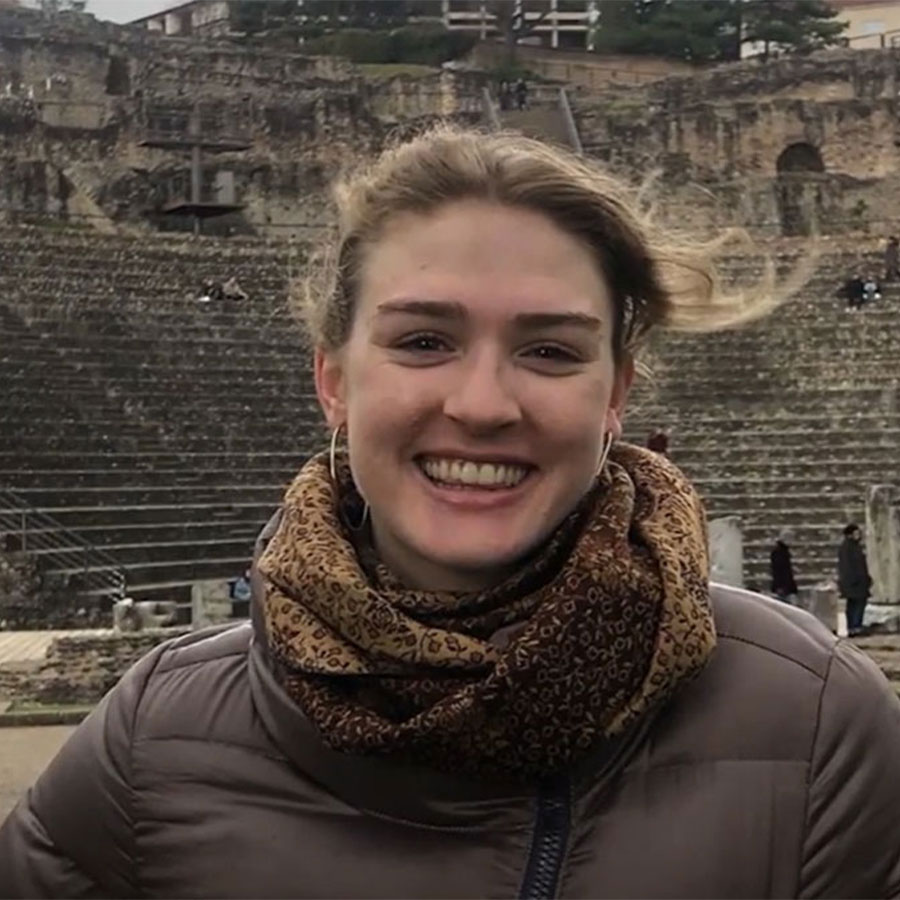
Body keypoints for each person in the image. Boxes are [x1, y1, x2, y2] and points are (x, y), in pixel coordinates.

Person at [3, 126, 900, 898]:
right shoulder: (149, 744)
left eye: (550, 350)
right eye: (423, 341)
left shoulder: (821, 728)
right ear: (332, 379)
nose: (482, 404)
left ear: (616, 394)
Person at [838, 523, 872, 637]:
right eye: (856, 533)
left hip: (857, 582)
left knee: (854, 605)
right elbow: (847, 566)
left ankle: (854, 626)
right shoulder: (847, 548)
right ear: (850, 535)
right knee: (856, 605)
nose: (859, 535)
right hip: (854, 582)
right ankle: (855, 627)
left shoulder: (854, 547)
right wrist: (855, 580)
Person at [770, 528, 798, 604]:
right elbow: (779, 571)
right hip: (783, 587)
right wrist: (782, 586)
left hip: (784, 586)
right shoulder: (780, 553)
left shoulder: (781, 552)